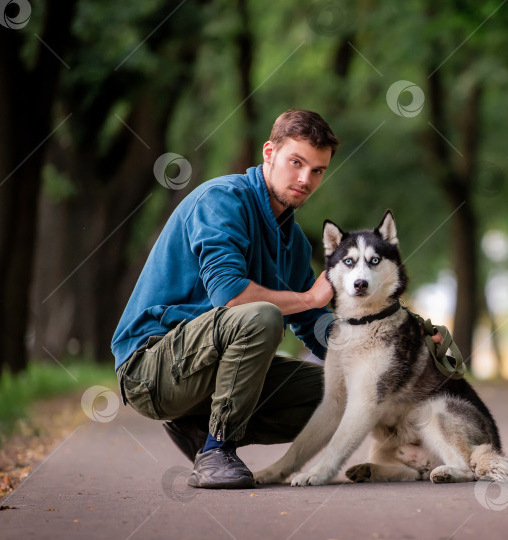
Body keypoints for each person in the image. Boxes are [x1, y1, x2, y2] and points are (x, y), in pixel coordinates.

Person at [111, 109, 338, 489]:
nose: (304, 179)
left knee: (344, 393)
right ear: (269, 153)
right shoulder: (223, 200)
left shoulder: (295, 243)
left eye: (317, 170)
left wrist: (395, 349)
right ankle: (218, 450)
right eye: (295, 163)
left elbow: (316, 328)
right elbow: (231, 296)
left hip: (208, 372)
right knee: (260, 316)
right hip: (151, 367)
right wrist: (311, 297)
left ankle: (198, 427)